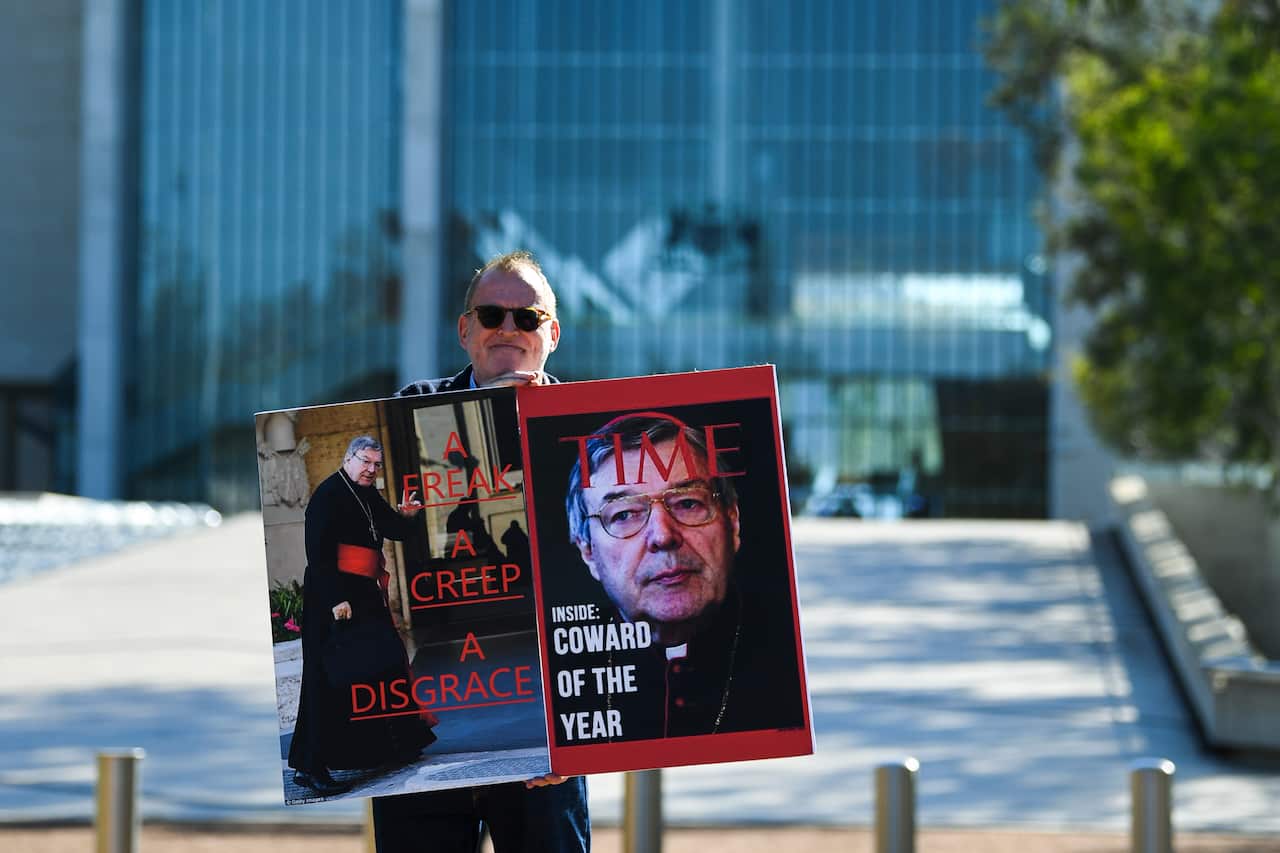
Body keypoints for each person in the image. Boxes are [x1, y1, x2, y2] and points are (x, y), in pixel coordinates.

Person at [374, 250, 589, 853]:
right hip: (429, 709)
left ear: (552, 333)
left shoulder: (588, 431)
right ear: (465, 331)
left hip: (544, 723)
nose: (508, 328)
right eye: (492, 314)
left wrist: (581, 732)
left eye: (527, 317)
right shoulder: (410, 413)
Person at [561, 412, 804, 740]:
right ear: (588, 552)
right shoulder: (554, 682)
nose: (663, 535)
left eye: (688, 502)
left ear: (732, 523)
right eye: (624, 514)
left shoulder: (783, 662)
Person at [289, 436, 435, 796]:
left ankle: (397, 743)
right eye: (365, 462)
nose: (371, 469)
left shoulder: (365, 492)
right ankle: (311, 768)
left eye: (376, 464)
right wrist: (337, 598)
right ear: (349, 459)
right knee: (332, 682)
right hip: (335, 599)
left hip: (365, 594)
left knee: (385, 666)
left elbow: (391, 529)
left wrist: (408, 516)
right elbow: (318, 553)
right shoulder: (327, 495)